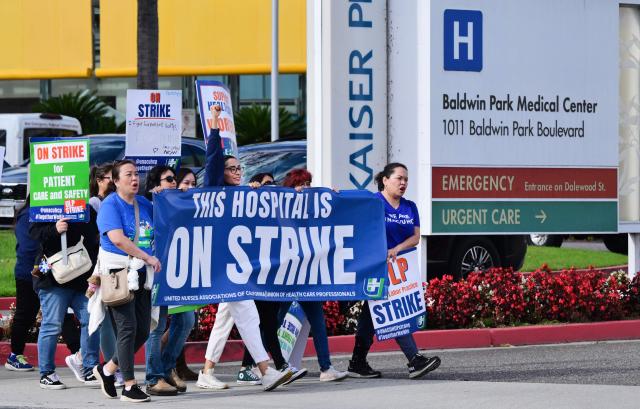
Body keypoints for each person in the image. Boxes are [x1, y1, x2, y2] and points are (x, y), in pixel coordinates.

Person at [196, 105, 292, 391]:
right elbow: (213, 160)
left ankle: (206, 372)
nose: (238, 172)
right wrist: (214, 127)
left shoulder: (242, 194)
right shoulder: (215, 190)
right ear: (221, 173)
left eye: (240, 167)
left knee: (224, 321)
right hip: (224, 266)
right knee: (248, 314)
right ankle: (266, 370)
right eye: (232, 168)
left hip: (236, 265)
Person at [347, 163, 441, 379]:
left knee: (372, 315)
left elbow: (416, 237)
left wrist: (397, 249)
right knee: (391, 310)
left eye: (406, 179)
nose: (403, 183)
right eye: (399, 178)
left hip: (401, 270)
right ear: (385, 180)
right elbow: (355, 224)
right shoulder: (373, 203)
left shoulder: (410, 207)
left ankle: (357, 362)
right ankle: (414, 360)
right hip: (377, 269)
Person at [92, 160, 161, 403]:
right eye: (129, 174)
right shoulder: (110, 205)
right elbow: (118, 239)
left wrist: (169, 196)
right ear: (116, 180)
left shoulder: (143, 203)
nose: (135, 179)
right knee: (127, 328)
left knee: (142, 329)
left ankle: (108, 369)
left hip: (141, 272)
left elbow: (165, 222)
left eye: (136, 174)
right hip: (117, 273)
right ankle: (129, 386)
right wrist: (147, 256)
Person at [278, 169, 348, 382]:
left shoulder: (315, 208)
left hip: (307, 274)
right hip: (286, 273)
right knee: (274, 320)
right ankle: (260, 366)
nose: (306, 188)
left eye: (309, 184)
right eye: (301, 184)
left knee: (317, 321)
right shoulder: (280, 206)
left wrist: (334, 199)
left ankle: (326, 368)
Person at [5, 199, 83, 373]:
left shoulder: (46, 214)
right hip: (31, 272)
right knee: (26, 314)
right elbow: (30, 246)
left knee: (62, 316)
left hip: (44, 270)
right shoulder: (30, 215)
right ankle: (15, 355)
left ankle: (78, 353)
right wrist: (46, 261)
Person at [29, 202, 101, 389]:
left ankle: (89, 368)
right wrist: (55, 229)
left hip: (81, 275)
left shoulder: (83, 206)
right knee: (52, 325)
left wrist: (75, 221)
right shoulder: (41, 202)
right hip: (52, 278)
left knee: (92, 320)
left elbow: (94, 233)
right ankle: (46, 373)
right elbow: (33, 233)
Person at [143, 164, 195, 395]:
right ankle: (153, 378)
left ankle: (166, 368)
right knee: (157, 325)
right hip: (158, 273)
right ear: (156, 185)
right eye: (169, 179)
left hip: (180, 274)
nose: (174, 183)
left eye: (176, 179)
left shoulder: (182, 204)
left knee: (185, 321)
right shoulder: (148, 205)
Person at [88, 163, 124, 387]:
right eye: (110, 178)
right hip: (104, 265)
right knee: (108, 318)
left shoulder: (120, 201)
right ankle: (110, 368)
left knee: (119, 321)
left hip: (119, 264)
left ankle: (107, 366)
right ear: (100, 180)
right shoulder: (95, 204)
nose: (113, 181)